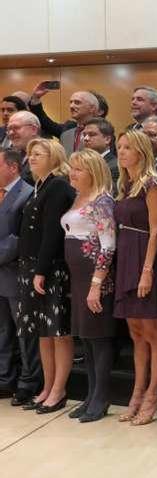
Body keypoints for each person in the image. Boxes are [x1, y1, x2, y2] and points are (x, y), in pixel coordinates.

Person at [114, 130, 157, 425]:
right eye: (119, 147)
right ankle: (136, 393)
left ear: (141, 151)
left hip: (144, 259)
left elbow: (156, 231)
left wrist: (147, 271)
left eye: (127, 147)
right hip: (125, 257)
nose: (121, 152)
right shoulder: (124, 185)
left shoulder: (152, 184)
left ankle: (153, 394)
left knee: (152, 332)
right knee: (135, 333)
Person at [17, 139, 76, 413]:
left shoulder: (58, 185)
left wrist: (41, 270)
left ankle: (59, 389)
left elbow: (52, 232)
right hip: (31, 266)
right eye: (30, 154)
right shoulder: (39, 186)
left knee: (58, 331)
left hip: (51, 267)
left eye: (38, 154)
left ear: (54, 157)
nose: (31, 158)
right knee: (42, 331)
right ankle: (47, 386)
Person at [62, 149, 116, 423]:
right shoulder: (77, 197)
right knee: (86, 338)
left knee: (99, 338)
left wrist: (96, 284)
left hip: (95, 278)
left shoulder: (102, 201)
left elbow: (108, 246)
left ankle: (101, 397)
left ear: (93, 172)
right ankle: (91, 394)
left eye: (78, 169)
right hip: (78, 277)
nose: (72, 173)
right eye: (72, 168)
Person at [0, 150, 37, 405]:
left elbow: (18, 239)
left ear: (12, 166)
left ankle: (29, 381)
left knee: (24, 331)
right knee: (2, 330)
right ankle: (4, 379)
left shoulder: (27, 194)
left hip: (15, 271)